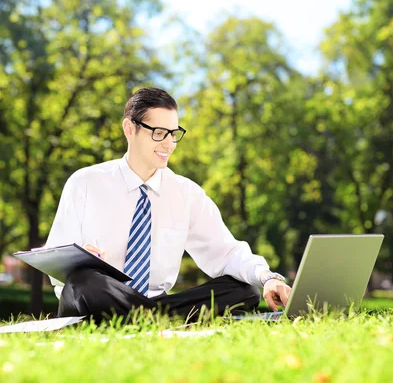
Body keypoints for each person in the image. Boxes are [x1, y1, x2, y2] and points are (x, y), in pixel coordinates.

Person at [46, 87, 291, 323]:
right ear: (129, 129)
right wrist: (81, 258)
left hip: (155, 303)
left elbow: (227, 253)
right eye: (159, 132)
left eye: (173, 134)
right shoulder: (85, 182)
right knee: (83, 282)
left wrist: (268, 277)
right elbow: (56, 261)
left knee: (245, 289)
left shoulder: (187, 193)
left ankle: (143, 319)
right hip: (99, 294)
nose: (169, 144)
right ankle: (158, 320)